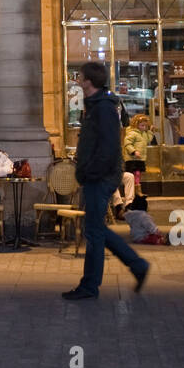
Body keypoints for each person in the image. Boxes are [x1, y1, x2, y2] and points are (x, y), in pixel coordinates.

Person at [63, 62, 150, 300]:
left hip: (99, 178)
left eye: (80, 77)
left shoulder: (102, 108)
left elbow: (109, 147)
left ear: (88, 81)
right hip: (97, 176)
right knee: (94, 230)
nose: (78, 80)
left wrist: (90, 172)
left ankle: (93, 284)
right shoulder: (95, 106)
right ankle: (130, 267)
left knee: (94, 231)